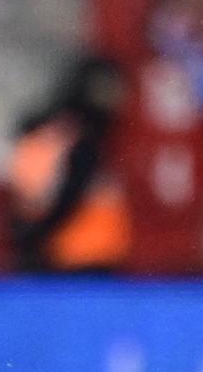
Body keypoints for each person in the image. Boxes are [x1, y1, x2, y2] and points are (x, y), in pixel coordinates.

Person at [7, 55, 133, 273]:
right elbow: (68, 197)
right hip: (82, 255)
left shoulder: (41, 132)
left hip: (51, 253)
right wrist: (34, 239)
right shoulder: (83, 138)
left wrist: (26, 241)